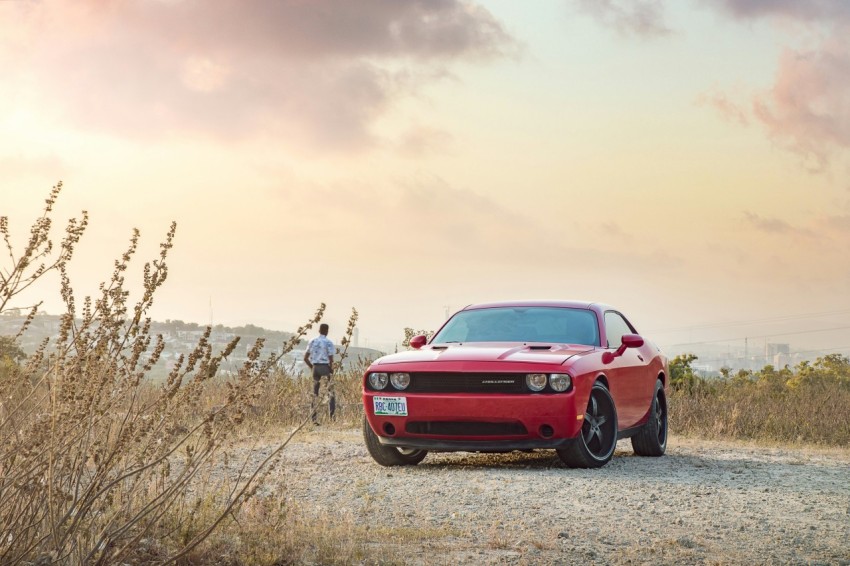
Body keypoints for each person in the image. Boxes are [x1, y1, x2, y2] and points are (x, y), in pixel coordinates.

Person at [304, 323, 335, 425]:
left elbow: (305, 358)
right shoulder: (328, 342)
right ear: (327, 331)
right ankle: (332, 418)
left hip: (315, 368)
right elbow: (331, 359)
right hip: (324, 367)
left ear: (319, 330)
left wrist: (312, 367)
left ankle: (313, 419)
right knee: (331, 393)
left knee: (315, 394)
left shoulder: (312, 341)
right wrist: (331, 369)